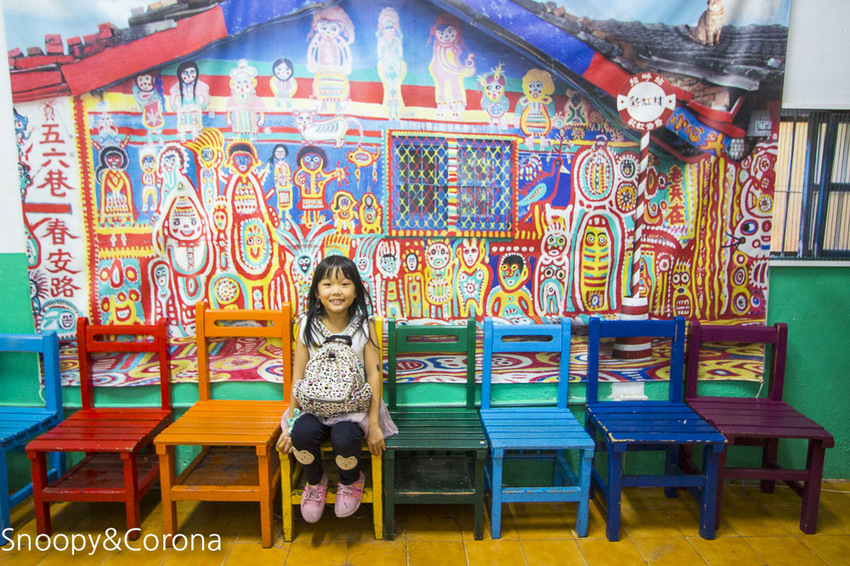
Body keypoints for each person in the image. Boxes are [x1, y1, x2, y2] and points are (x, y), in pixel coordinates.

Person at [277, 255, 397, 522]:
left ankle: (350, 480)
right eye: (328, 284)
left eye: (344, 283)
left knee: (345, 437)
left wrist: (374, 423)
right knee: (303, 435)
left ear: (355, 291)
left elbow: (374, 376)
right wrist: (292, 423)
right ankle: (315, 481)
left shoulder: (365, 326)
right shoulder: (307, 325)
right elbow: (298, 376)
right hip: (314, 407)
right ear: (317, 292)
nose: (336, 291)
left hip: (352, 409)